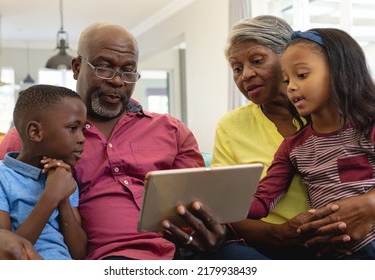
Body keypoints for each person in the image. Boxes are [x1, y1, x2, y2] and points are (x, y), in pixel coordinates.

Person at [0, 23, 266, 260]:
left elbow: (206, 203)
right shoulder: (37, 137)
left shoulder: (171, 130)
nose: (118, 81)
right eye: (105, 67)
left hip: (184, 252)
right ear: (76, 68)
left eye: (128, 71)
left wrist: (213, 231)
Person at [160, 15, 375, 259]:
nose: (246, 75)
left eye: (257, 60)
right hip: (291, 248)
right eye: (237, 69)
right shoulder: (261, 136)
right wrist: (276, 232)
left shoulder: (356, 120)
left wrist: (370, 205)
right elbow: (248, 203)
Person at [248, 28, 375, 259]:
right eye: (287, 80)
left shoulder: (369, 126)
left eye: (302, 75)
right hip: (329, 254)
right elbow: (262, 201)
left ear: (340, 72)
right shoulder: (293, 147)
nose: (291, 87)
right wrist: (217, 202)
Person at [0, 84, 87, 260]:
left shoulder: (64, 179)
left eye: (83, 129)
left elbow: (78, 253)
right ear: (36, 132)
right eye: (73, 128)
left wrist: (62, 199)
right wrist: (51, 196)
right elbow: (4, 257)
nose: (82, 138)